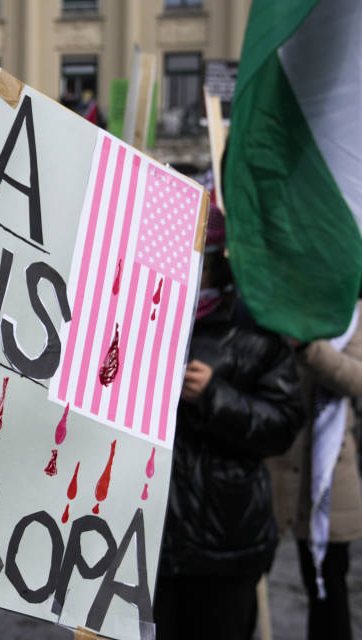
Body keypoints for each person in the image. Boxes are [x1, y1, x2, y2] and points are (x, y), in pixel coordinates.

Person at [153, 212, 304, 640]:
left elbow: (282, 425)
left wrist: (215, 396)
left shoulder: (257, 328)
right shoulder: (141, 314)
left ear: (217, 262)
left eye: (197, 258)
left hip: (225, 542)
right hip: (146, 541)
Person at [269, 301, 362, 640]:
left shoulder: (352, 314)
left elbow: (356, 379)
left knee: (329, 593)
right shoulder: (271, 303)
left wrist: (308, 346)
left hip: (330, 476)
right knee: (244, 587)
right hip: (272, 469)